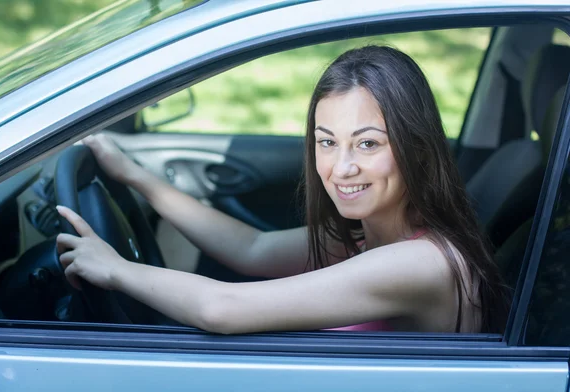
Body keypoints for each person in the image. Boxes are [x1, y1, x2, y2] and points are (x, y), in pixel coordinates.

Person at [56, 45, 510, 334]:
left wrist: (116, 270)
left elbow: (222, 308)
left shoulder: (420, 263)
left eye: (368, 143)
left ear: (420, 150)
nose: (342, 167)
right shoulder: (366, 235)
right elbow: (252, 248)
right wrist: (137, 176)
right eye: (327, 142)